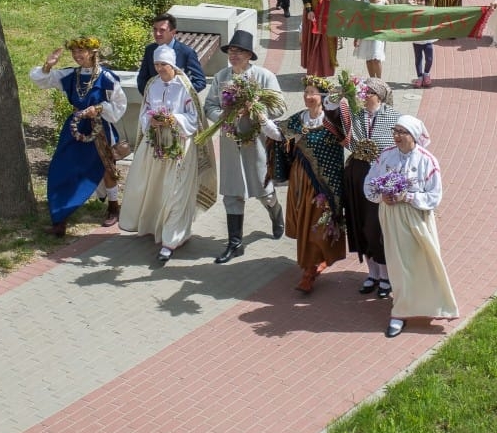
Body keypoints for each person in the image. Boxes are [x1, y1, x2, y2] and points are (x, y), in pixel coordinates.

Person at [119, 45, 217, 261]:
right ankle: (154, 226)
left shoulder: (184, 86)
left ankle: (171, 240)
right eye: (156, 64)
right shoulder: (152, 85)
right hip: (155, 145)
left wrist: (175, 120)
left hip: (180, 146)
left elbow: (194, 118)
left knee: (176, 192)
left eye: (163, 64)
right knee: (155, 187)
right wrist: (151, 120)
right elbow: (144, 112)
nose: (160, 68)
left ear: (173, 65)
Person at [365, 115, 459, 338]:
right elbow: (369, 183)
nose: (397, 136)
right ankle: (400, 312)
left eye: (402, 132)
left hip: (417, 218)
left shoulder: (427, 160)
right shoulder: (386, 156)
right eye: (395, 131)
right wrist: (382, 196)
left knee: (425, 260)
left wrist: (407, 196)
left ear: (414, 136)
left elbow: (434, 196)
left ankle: (436, 305)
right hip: (392, 218)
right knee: (399, 264)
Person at [30, 36, 127, 235]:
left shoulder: (106, 78)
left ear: (92, 52)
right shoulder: (70, 75)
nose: (76, 56)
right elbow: (43, 80)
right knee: (61, 167)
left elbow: (119, 105)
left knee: (107, 168)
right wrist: (48, 66)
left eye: (80, 52)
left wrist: (99, 108)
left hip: (99, 128)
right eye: (74, 52)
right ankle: (60, 217)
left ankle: (113, 206)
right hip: (74, 127)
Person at [204, 30, 287, 263]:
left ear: (249, 54)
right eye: (231, 51)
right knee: (232, 192)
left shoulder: (264, 76)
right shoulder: (221, 77)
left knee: (264, 191)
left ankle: (276, 212)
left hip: (257, 142)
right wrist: (223, 116)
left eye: (238, 51)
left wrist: (255, 109)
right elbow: (209, 105)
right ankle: (235, 243)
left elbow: (280, 107)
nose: (234, 55)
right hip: (231, 143)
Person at [263, 76, 346, 294]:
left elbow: (346, 137)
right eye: (306, 92)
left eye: (313, 93)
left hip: (324, 185)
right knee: (305, 224)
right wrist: (261, 118)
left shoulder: (332, 121)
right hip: (300, 181)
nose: (308, 97)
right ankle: (313, 264)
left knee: (318, 227)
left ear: (323, 97)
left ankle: (309, 273)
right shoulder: (299, 119)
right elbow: (278, 134)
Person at [325, 77, 400, 297]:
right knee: (359, 225)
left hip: (380, 176)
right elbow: (331, 113)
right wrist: (339, 93)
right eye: (363, 91)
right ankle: (373, 273)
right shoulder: (355, 115)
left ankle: (386, 277)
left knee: (376, 227)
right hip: (356, 174)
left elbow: (405, 145)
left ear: (379, 96)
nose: (364, 95)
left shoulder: (394, 117)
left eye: (369, 92)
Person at [136, 13, 206, 95]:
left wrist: (178, 95)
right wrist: (151, 95)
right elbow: (142, 79)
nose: (157, 33)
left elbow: (200, 82)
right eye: (155, 29)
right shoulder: (150, 50)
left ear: (173, 32)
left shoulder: (186, 53)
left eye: (162, 30)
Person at [353, 0, 388, 79]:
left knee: (376, 58)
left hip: (378, 35)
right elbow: (359, 19)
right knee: (369, 58)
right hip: (365, 34)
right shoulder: (363, 1)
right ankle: (372, 80)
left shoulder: (384, 3)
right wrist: (356, 37)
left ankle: (379, 81)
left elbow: (389, 19)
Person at [410, 0, 437, 88]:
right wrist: (410, 4)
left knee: (429, 59)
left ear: (426, 1)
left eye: (422, 0)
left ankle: (426, 74)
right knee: (418, 59)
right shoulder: (412, 9)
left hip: (428, 39)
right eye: (417, 0)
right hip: (417, 39)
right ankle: (419, 77)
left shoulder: (430, 10)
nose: (419, 2)